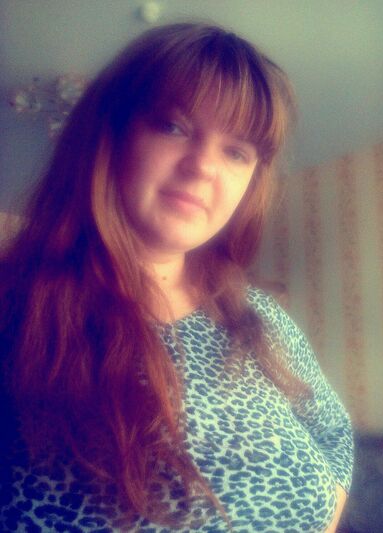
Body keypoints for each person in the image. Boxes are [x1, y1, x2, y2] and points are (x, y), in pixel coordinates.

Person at [0, 22, 353, 532]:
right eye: (173, 126)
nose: (204, 167)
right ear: (111, 135)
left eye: (237, 152)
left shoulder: (263, 317)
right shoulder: (14, 314)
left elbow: (334, 435)